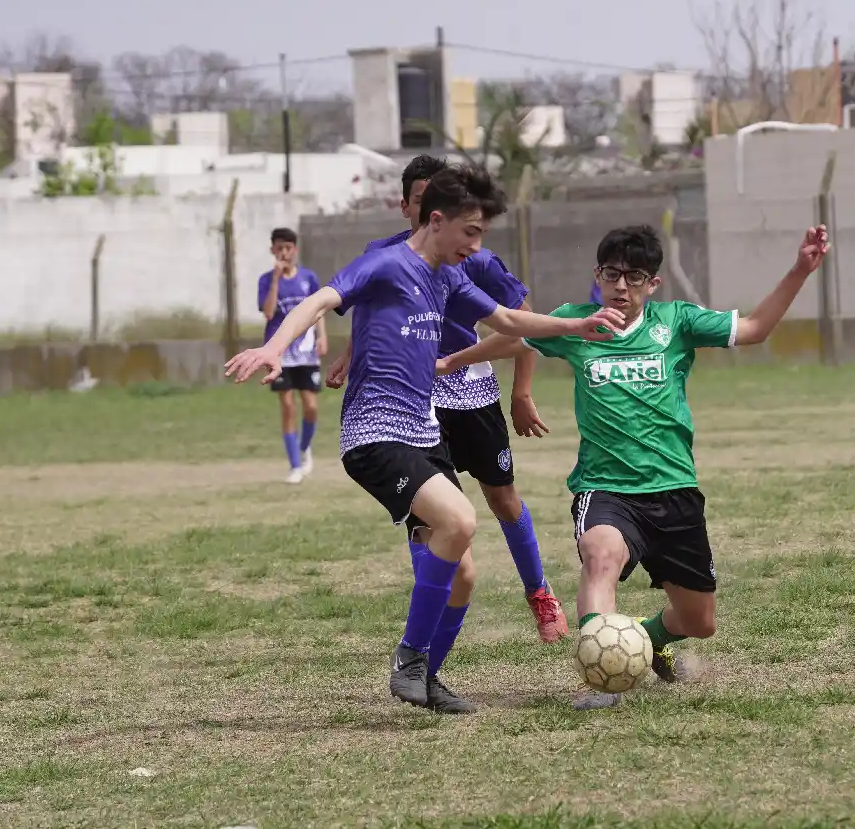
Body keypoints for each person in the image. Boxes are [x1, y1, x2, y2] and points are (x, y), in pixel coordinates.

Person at [225, 165, 623, 713]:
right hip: (375, 431)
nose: (476, 247)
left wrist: (575, 327)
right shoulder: (386, 263)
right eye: (471, 233)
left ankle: (425, 680)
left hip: (422, 430)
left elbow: (508, 318)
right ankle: (409, 657)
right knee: (460, 520)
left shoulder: (450, 276)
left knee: (463, 574)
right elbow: (320, 301)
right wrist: (274, 348)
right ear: (436, 221)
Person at [436, 223, 828, 708]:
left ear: (653, 284)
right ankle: (600, 680)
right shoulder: (574, 323)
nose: (621, 286)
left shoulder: (677, 321)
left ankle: (644, 638)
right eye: (612, 274)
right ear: (597, 275)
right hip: (605, 488)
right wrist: (451, 362)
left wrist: (800, 269)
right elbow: (516, 338)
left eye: (635, 276)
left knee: (699, 621)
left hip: (674, 488)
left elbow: (754, 329)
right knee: (601, 558)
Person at [327, 155, 569, 645]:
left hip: (470, 389)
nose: (424, 211)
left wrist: (522, 391)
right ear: (409, 207)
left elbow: (519, 321)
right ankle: (431, 616)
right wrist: (352, 356)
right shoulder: (385, 255)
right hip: (412, 402)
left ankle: (539, 592)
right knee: (429, 511)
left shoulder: (471, 257)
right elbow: (373, 313)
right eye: (417, 201)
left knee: (501, 497)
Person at [257, 227, 326, 484]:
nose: (284, 253)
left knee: (311, 406)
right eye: (279, 248)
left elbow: (318, 309)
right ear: (273, 250)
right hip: (279, 352)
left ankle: (305, 446)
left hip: (306, 352)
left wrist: (323, 336)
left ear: (295, 249)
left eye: (288, 248)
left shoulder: (309, 278)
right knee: (287, 406)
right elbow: (267, 312)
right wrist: (276, 279)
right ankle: (295, 465)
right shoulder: (266, 279)